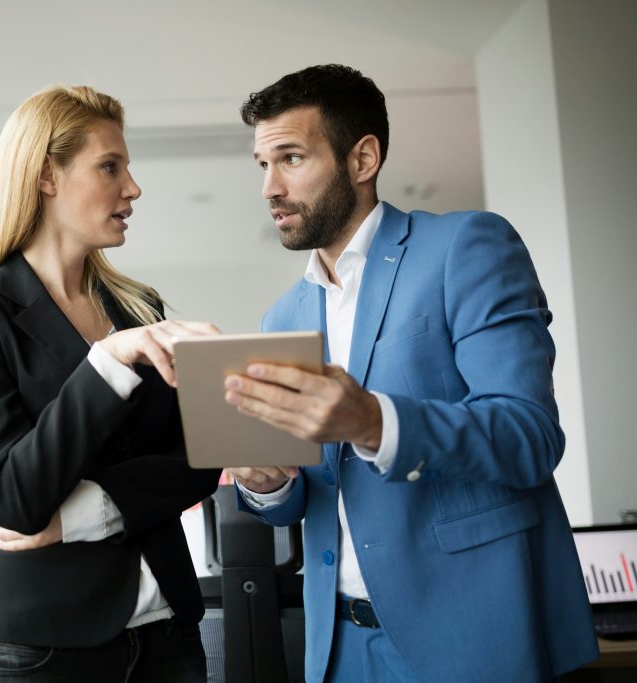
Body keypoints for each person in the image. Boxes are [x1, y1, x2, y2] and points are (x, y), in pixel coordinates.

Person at [224, 65, 599, 683]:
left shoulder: (466, 247)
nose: (270, 187)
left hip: (474, 637)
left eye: (289, 158)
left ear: (363, 157)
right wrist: (268, 485)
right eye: (262, 165)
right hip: (338, 648)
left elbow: (530, 436)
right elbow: (301, 501)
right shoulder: (282, 316)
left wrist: (374, 421)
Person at [0, 84, 220, 682]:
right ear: (46, 176)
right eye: (110, 167)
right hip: (40, 648)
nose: (133, 188)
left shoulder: (142, 308)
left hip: (168, 633)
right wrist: (108, 363)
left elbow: (197, 460)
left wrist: (88, 512)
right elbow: (13, 499)